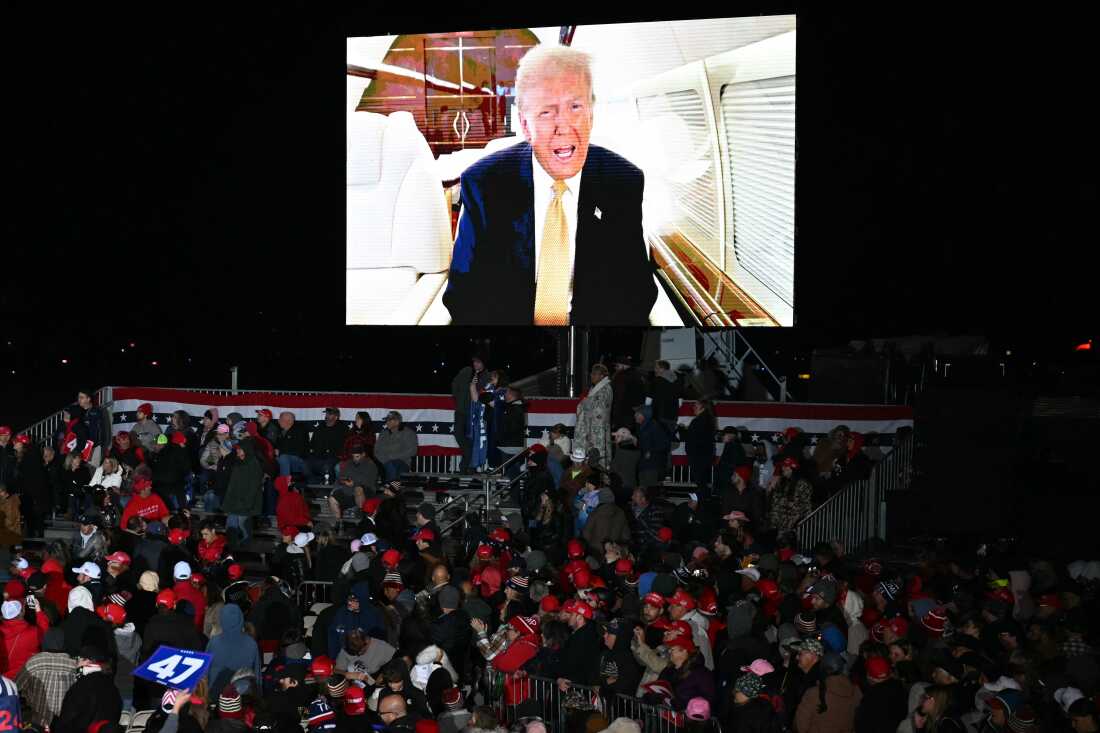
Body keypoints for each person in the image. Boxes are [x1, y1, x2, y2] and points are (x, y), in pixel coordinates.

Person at [442, 44, 657, 325]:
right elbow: (463, 298)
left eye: (575, 107)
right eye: (546, 112)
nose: (564, 125)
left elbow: (637, 295)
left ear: (592, 114)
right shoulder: (485, 185)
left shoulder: (622, 182)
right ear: (525, 124)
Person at [206, 604, 262, 704]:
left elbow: (205, 671)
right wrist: (258, 696)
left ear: (222, 619)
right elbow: (256, 673)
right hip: (243, 696)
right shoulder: (251, 644)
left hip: (217, 695)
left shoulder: (214, 642)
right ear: (241, 619)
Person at [574, 364, 613, 469]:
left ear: (602, 376)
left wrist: (584, 403)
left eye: (595, 374)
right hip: (590, 429)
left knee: (597, 456)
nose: (592, 376)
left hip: (597, 430)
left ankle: (598, 480)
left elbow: (599, 409)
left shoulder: (605, 389)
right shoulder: (595, 388)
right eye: (591, 374)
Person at [678, 400, 717, 497]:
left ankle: (702, 502)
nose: (693, 407)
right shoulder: (708, 420)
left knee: (700, 483)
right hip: (704, 456)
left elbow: (691, 438)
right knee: (702, 481)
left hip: (698, 456)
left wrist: (681, 430)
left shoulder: (698, 421)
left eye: (696, 405)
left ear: (703, 407)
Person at [375, 411, 418, 481]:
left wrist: (392, 457)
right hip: (383, 461)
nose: (387, 422)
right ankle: (392, 489)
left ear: (397, 421)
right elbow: (376, 451)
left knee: (394, 467)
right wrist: (385, 460)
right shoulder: (383, 433)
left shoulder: (408, 433)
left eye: (389, 420)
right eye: (386, 420)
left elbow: (412, 451)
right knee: (389, 467)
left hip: (402, 462)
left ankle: (389, 488)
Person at [310, 408, 349, 482]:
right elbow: (313, 443)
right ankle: (316, 486)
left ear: (336, 417)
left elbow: (346, 445)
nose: (326, 416)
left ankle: (329, 487)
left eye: (329, 414)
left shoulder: (343, 428)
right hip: (318, 456)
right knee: (306, 465)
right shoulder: (320, 427)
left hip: (335, 456)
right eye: (326, 414)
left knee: (327, 466)